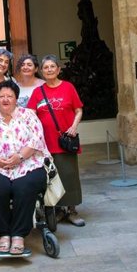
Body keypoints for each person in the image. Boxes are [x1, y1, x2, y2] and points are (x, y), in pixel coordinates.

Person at [0, 81, 49, 255]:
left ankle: (18, 235)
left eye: (10, 96)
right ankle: (4, 233)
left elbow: (36, 140)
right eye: (2, 96)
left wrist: (20, 157)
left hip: (27, 164)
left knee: (24, 187)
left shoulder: (29, 115)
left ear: (16, 98)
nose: (6, 99)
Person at [27, 54, 85, 227]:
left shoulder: (68, 87)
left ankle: (72, 210)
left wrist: (74, 126)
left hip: (65, 141)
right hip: (45, 144)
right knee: (51, 178)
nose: (49, 70)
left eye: (53, 67)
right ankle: (58, 210)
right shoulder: (38, 92)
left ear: (58, 69)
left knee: (70, 176)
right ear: (42, 71)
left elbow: (79, 110)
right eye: (46, 67)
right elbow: (30, 115)